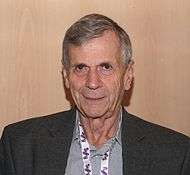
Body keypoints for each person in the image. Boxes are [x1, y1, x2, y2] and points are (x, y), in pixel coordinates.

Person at [0, 14, 189, 175]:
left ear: (128, 75)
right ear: (66, 76)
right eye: (81, 68)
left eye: (105, 67)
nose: (92, 82)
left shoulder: (175, 155)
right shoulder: (19, 146)